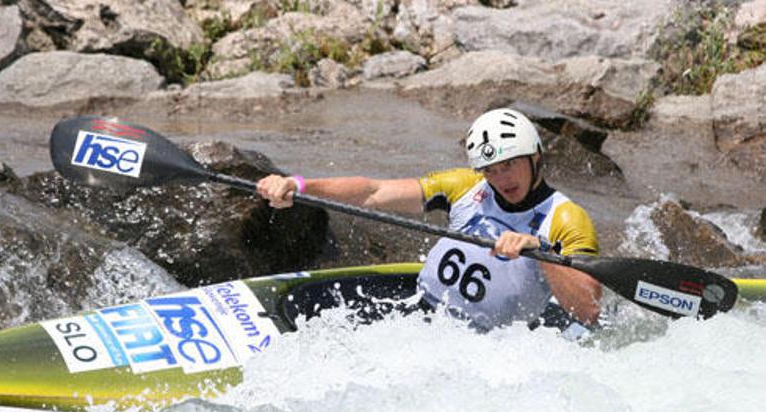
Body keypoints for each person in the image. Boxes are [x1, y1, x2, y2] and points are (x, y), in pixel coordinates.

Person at [256, 108, 602, 331]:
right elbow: (373, 191)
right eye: (491, 170)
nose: (502, 179)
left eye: (510, 164)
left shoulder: (566, 218)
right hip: (421, 313)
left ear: (536, 157)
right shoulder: (467, 186)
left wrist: (541, 251)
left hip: (493, 345)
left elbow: (588, 309)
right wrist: (299, 185)